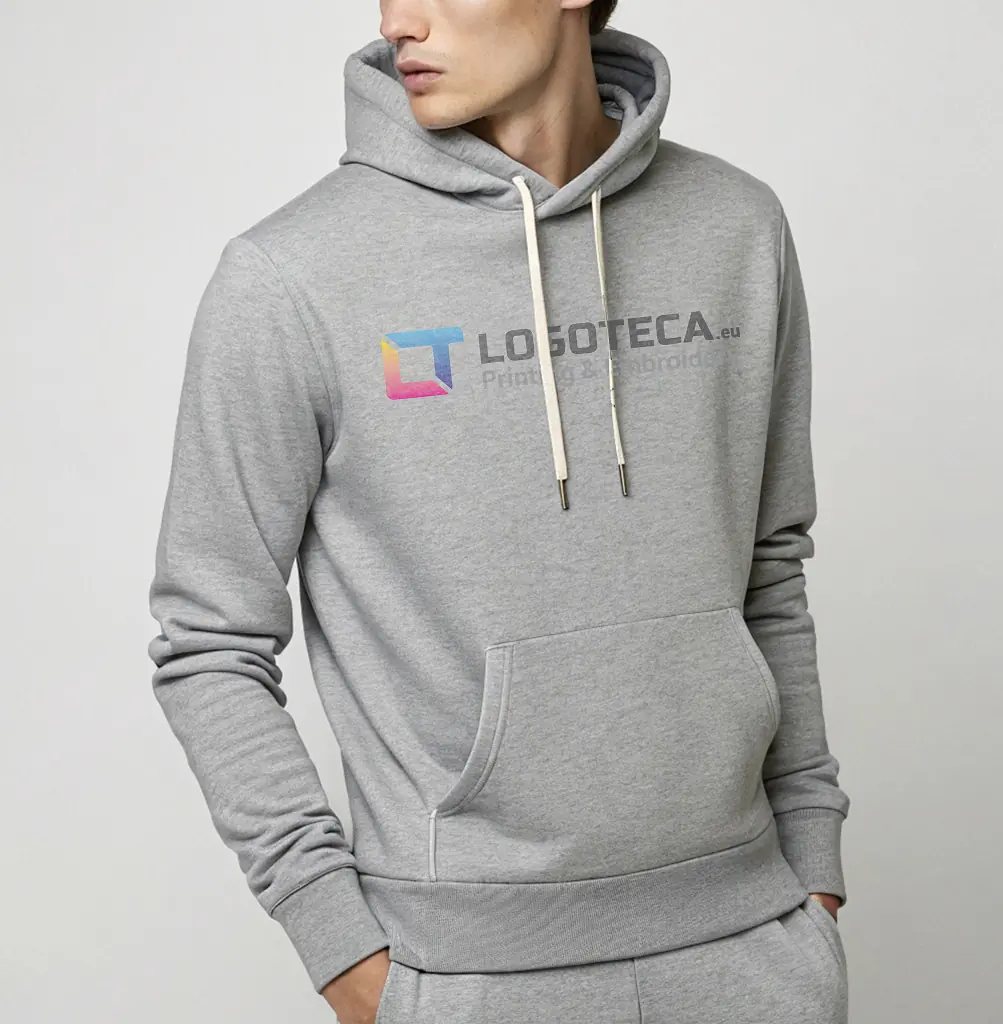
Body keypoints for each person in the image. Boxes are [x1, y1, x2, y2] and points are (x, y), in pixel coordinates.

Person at [147, 1, 852, 1021]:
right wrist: (341, 947)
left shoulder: (735, 226)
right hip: (467, 972)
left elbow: (769, 566)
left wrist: (813, 860)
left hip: (755, 952)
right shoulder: (292, 277)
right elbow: (208, 639)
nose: (400, 20)